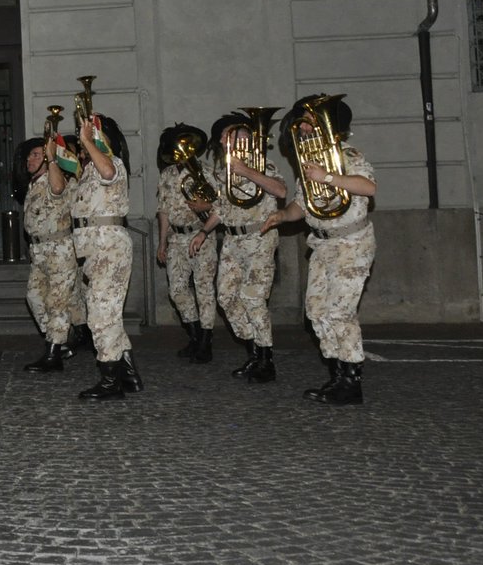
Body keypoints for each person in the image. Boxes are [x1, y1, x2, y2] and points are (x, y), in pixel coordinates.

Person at [260, 95, 378, 405]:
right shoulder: (308, 166)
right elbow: (302, 204)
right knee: (316, 312)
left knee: (340, 312)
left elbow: (368, 188)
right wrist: (283, 215)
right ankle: (337, 374)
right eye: (300, 127)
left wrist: (327, 175)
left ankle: (352, 381)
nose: (304, 131)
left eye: (310, 124)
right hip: (322, 246)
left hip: (351, 244)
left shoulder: (348, 155)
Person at [192, 112, 285, 383]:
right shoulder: (224, 173)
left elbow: (280, 191)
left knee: (253, 298)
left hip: (259, 238)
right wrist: (203, 231)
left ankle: (266, 360)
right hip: (232, 241)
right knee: (226, 297)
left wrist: (247, 171)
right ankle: (255, 350)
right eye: (221, 137)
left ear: (243, 139)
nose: (221, 140)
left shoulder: (262, 165)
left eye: (227, 135)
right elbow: (222, 208)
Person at [51, 111, 137, 399]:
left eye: (88, 133)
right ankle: (128, 374)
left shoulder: (112, 164)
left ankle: (110, 382)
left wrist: (89, 141)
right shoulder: (87, 171)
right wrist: (54, 156)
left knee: (101, 316)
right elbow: (58, 186)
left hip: (108, 247)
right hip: (94, 250)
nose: (81, 137)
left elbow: (109, 173)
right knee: (108, 313)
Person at [15, 135, 88, 373]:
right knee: (34, 297)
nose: (30, 159)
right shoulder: (33, 183)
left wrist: (52, 158)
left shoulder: (54, 178)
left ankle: (53, 354)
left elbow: (58, 189)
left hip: (60, 249)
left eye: (36, 155)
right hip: (39, 251)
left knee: (57, 302)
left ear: (48, 159)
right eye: (29, 156)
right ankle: (61, 341)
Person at [155, 123, 218, 362]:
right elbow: (163, 211)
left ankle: (206, 342)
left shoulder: (207, 171)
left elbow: (222, 204)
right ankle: (194, 335)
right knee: (177, 290)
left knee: (204, 289)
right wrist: (162, 242)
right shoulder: (167, 175)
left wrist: (206, 208)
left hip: (201, 236)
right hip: (176, 239)